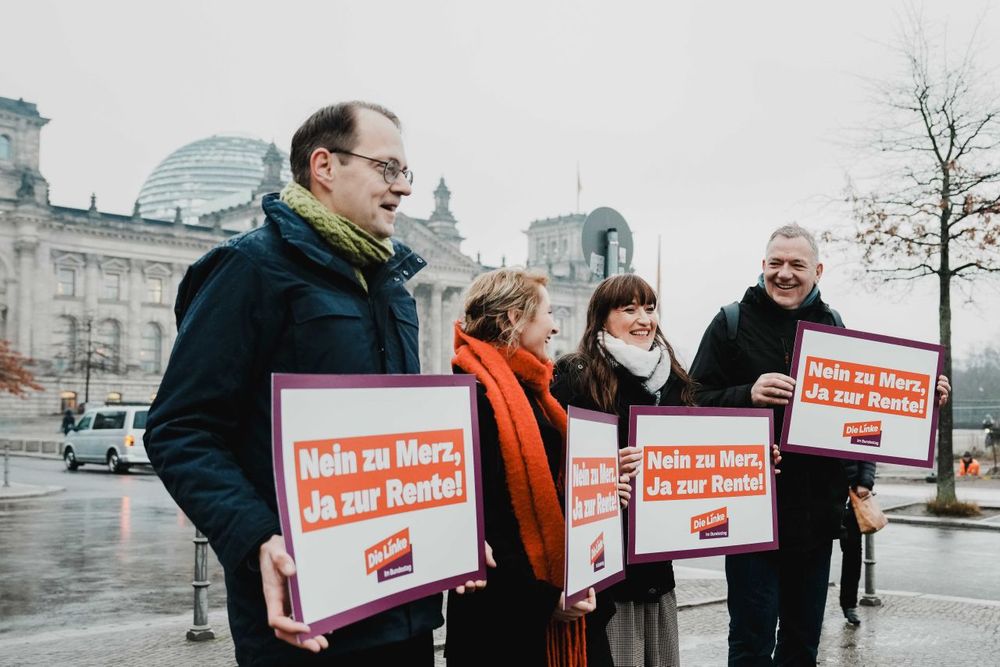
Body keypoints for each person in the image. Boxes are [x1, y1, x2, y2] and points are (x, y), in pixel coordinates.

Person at [144, 102, 447, 666]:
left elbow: (400, 438)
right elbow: (180, 429)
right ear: (324, 166)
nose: (402, 188)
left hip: (402, 607)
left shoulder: (393, 289)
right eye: (387, 167)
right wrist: (258, 537)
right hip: (306, 616)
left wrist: (447, 520)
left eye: (406, 172)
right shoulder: (249, 269)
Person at [688, 223, 950, 666]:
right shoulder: (730, 323)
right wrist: (745, 394)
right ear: (762, 266)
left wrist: (924, 405)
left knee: (802, 646)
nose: (784, 274)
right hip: (753, 516)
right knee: (750, 646)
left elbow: (862, 410)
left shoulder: (833, 325)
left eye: (797, 264)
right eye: (776, 263)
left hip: (815, 519)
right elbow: (690, 402)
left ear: (818, 270)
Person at [446, 268, 602, 667]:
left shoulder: (531, 390)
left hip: (533, 611)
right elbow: (489, 522)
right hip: (501, 622)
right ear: (515, 318)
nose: (554, 325)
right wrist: (546, 599)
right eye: (548, 313)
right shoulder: (476, 397)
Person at [551, 274, 697, 667]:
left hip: (656, 564)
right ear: (601, 318)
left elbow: (696, 451)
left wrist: (750, 462)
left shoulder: (674, 378)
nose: (643, 319)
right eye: (629, 309)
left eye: (649, 308)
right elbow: (554, 464)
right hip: (608, 572)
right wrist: (603, 472)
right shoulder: (575, 374)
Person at [838, 459, 875, 626]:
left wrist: (865, 483)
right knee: (816, 552)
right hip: (822, 492)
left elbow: (867, 453)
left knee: (853, 554)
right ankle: (814, 603)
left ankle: (849, 604)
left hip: (851, 496)